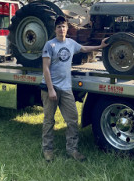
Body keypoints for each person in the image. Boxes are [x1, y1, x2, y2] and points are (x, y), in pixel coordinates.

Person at [41, 15, 108, 162]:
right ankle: (48, 150)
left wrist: (100, 46)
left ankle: (72, 150)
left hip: (65, 89)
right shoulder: (49, 45)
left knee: (72, 120)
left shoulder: (71, 43)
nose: (61, 29)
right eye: (59, 27)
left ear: (67, 29)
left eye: (64, 26)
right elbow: (45, 69)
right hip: (50, 88)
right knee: (49, 121)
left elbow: (84, 48)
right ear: (55, 29)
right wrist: (51, 89)